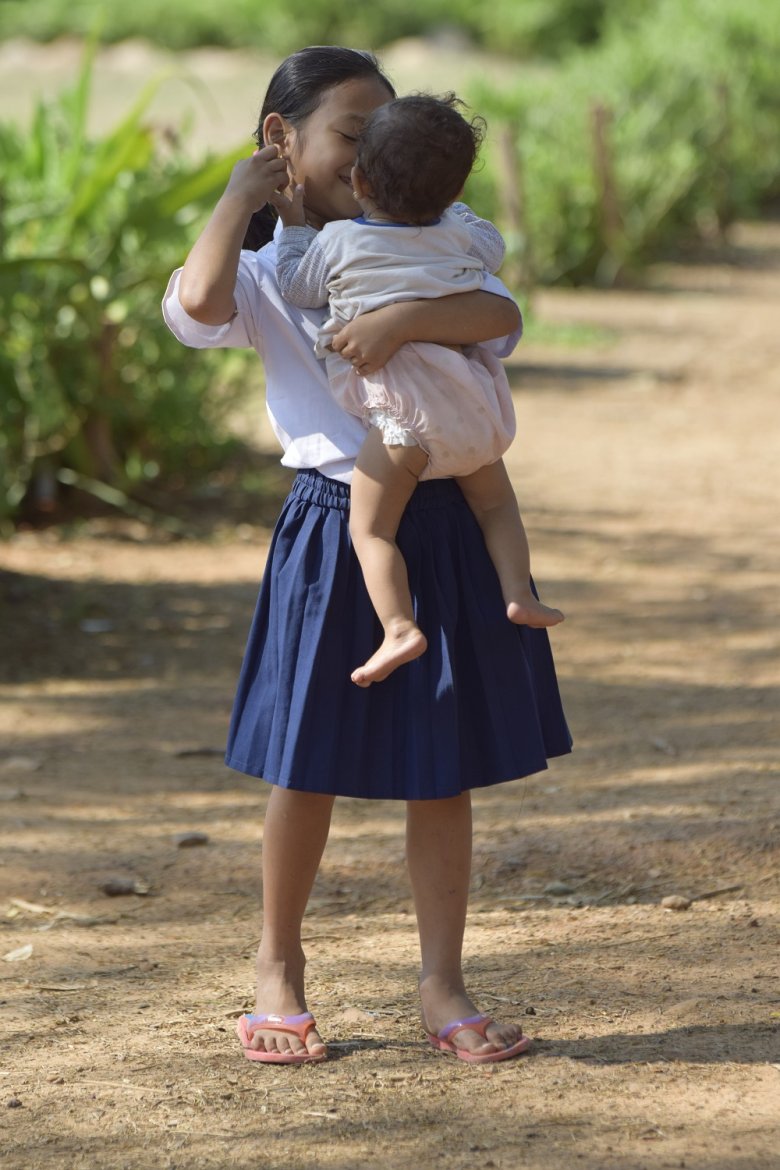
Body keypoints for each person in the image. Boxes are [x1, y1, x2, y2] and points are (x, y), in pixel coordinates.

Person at [163, 46, 571, 1066]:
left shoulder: (436, 241)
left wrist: (400, 322)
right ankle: (278, 969)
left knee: (444, 769)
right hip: (332, 523)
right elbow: (198, 305)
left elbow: (501, 318)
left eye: (382, 133)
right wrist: (239, 197)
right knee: (303, 767)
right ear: (281, 139)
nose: (370, 153)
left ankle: (443, 985)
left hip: (443, 519)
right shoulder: (273, 270)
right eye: (352, 132)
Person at [275, 93, 563, 688]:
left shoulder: (338, 242)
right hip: (471, 409)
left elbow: (299, 289)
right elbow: (493, 249)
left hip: (400, 423)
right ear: (455, 192)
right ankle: (518, 592)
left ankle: (399, 626)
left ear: (358, 180)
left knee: (371, 530)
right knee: (497, 506)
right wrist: (454, 209)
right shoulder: (460, 233)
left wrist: (293, 226)